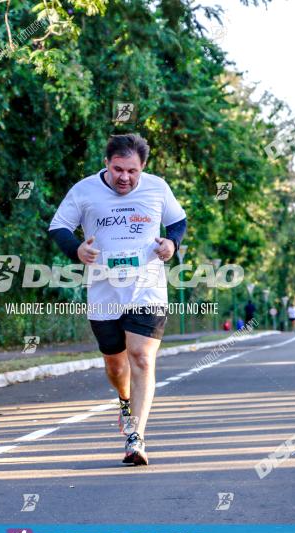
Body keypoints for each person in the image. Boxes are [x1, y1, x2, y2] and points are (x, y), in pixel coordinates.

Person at [48, 133, 186, 466]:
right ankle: (124, 399)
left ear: (143, 168)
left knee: (140, 357)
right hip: (104, 291)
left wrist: (173, 244)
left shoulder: (157, 188)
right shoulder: (84, 191)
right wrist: (76, 249)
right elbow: (59, 226)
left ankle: (136, 437)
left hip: (147, 288)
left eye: (132, 171)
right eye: (118, 169)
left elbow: (177, 221)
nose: (125, 177)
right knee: (115, 362)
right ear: (107, 164)